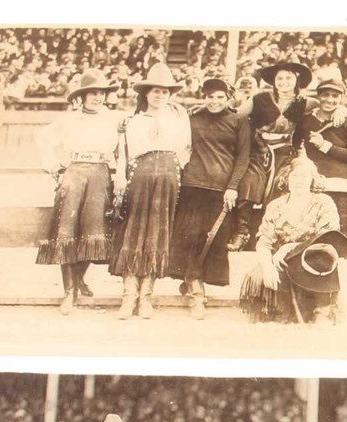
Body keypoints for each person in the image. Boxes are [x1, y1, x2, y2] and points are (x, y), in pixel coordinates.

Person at [35, 71, 122, 314]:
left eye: (101, 93)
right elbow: (42, 138)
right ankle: (69, 291)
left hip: (101, 174)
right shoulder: (69, 120)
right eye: (92, 93)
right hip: (74, 174)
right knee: (68, 232)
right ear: (81, 96)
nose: (97, 98)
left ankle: (80, 277)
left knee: (94, 231)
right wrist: (53, 166)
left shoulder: (114, 119)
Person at [110, 64, 191, 320]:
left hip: (168, 176)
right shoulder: (132, 121)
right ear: (146, 93)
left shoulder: (179, 119)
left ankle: (146, 296)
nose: (160, 95)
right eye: (156, 91)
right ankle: (129, 296)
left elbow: (186, 150)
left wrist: (175, 170)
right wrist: (120, 179)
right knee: (134, 234)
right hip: (140, 175)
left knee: (157, 234)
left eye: (165, 92)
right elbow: (123, 155)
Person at [168, 78, 250, 320]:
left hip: (221, 190)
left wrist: (232, 187)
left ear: (228, 98)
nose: (215, 101)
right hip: (192, 186)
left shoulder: (238, 121)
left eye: (220, 97)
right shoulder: (193, 118)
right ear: (204, 97)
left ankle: (192, 281)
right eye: (210, 96)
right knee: (190, 239)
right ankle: (196, 294)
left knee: (212, 241)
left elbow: (243, 157)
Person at [237, 157, 342, 324]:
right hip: (281, 261)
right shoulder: (275, 205)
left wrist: (289, 248)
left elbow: (326, 239)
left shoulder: (323, 202)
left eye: (304, 177)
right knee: (257, 275)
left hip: (313, 258)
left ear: (312, 180)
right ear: (286, 179)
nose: (298, 181)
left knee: (322, 263)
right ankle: (274, 313)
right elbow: (264, 241)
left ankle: (321, 312)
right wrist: (267, 266)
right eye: (294, 176)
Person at [230, 61, 313, 249]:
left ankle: (273, 235)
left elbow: (327, 107)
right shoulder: (259, 98)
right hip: (259, 150)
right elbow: (235, 114)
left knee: (281, 185)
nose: (284, 82)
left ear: (297, 80)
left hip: (285, 153)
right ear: (274, 81)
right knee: (249, 181)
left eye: (289, 78)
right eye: (279, 78)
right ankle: (242, 232)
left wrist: (340, 110)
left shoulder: (304, 102)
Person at [295, 74, 347, 251]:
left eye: (335, 96)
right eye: (325, 95)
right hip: (317, 180)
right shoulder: (306, 122)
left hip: (346, 182)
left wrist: (325, 146)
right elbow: (296, 148)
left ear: (341, 98)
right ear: (318, 96)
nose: (330, 100)